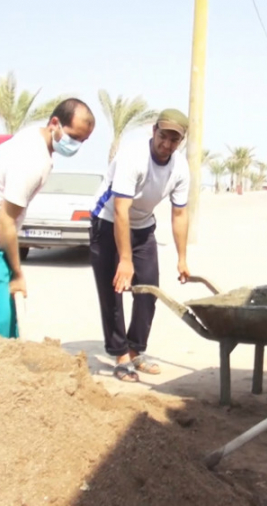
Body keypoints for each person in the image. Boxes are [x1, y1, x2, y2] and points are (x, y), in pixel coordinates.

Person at [0, 98, 95, 338]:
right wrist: (17, 273)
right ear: (54, 123)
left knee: (6, 325)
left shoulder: (37, 143)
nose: (76, 145)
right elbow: (6, 220)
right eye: (74, 137)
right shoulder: (33, 158)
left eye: (82, 141)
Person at [89, 108, 192, 382]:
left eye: (174, 140)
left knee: (148, 291)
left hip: (143, 226)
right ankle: (120, 354)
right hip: (108, 222)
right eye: (163, 136)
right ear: (154, 130)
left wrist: (182, 258)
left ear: (180, 142)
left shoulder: (180, 167)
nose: (166, 144)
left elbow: (180, 213)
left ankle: (135, 350)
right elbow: (121, 210)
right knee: (114, 290)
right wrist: (125, 260)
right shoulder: (133, 157)